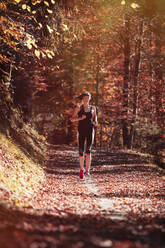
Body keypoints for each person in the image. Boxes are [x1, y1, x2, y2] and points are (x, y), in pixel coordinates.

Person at [70, 92, 98, 179]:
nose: (86, 99)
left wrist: (96, 122)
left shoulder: (93, 108)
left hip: (90, 131)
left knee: (88, 150)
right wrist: (80, 118)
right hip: (81, 131)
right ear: (82, 99)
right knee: (81, 150)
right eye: (85, 98)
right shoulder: (79, 108)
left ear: (90, 98)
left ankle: (87, 170)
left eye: (88, 98)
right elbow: (71, 119)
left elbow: (95, 119)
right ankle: (81, 169)